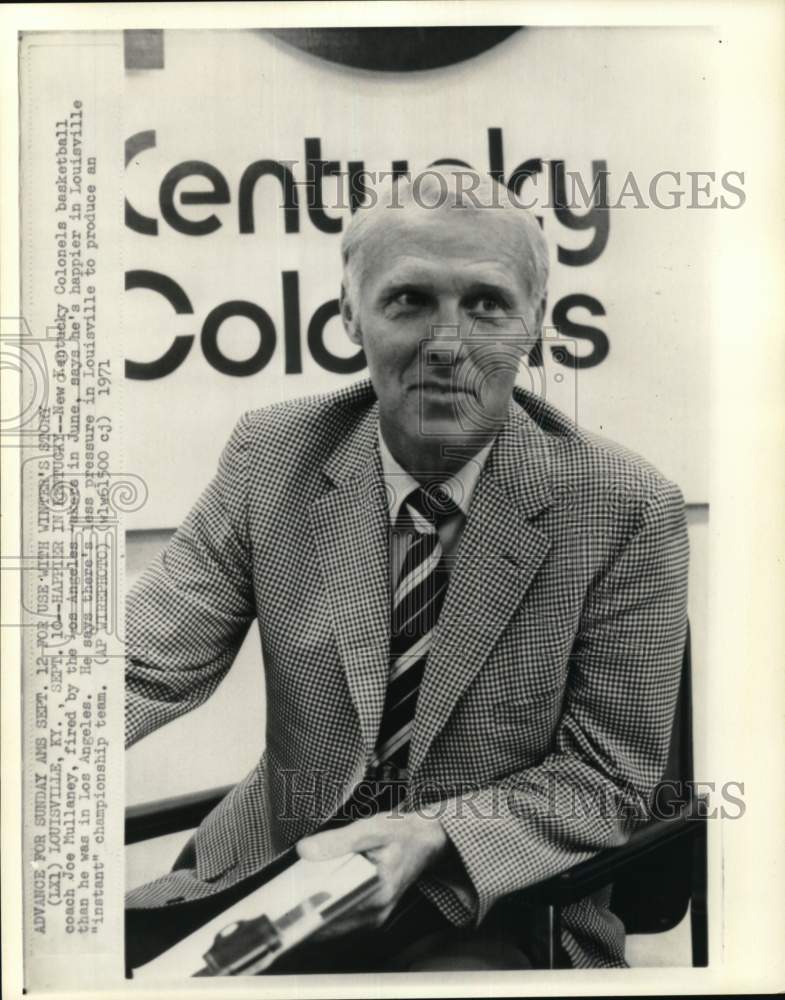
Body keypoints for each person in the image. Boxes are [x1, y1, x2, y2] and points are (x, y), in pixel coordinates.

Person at [125, 170, 690, 972]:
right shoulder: (272, 454)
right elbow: (141, 665)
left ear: (537, 319)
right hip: (266, 873)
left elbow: (606, 776)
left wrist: (431, 835)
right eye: (409, 300)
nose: (448, 343)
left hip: (489, 903)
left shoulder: (626, 507)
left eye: (487, 303)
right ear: (349, 314)